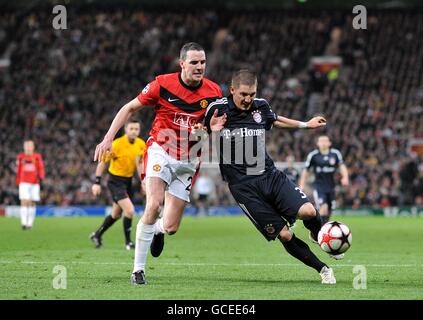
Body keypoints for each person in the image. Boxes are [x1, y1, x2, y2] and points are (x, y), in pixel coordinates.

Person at [94, 42, 222, 285]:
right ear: (182, 63)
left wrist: (208, 130)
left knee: (171, 226)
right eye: (194, 62)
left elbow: (205, 133)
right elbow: (129, 107)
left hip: (189, 160)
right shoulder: (162, 84)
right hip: (159, 151)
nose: (199, 67)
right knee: (153, 204)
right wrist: (108, 137)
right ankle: (138, 271)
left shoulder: (214, 92)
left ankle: (159, 231)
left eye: (203, 62)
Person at [204, 69, 337, 284]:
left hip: (269, 174)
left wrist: (306, 124)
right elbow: (193, 135)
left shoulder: (261, 105)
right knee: (284, 234)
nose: (248, 99)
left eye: (252, 94)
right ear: (232, 90)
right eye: (244, 95)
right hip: (243, 187)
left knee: (309, 211)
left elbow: (274, 120)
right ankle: (323, 269)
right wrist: (208, 130)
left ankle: (317, 235)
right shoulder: (217, 108)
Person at [90, 120, 146, 250]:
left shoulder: (141, 144)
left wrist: (143, 181)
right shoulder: (117, 144)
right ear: (126, 129)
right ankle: (128, 242)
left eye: (136, 129)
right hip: (115, 181)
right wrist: (97, 182)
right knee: (130, 210)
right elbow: (102, 163)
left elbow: (139, 164)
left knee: (115, 214)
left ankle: (97, 235)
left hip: (128, 181)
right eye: (131, 128)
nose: (134, 131)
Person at [299, 135, 349, 227]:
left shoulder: (335, 154)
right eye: (321, 141)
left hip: (331, 187)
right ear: (317, 143)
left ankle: (324, 228)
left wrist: (345, 177)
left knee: (330, 210)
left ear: (330, 143)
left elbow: (342, 166)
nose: (323, 143)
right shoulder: (313, 155)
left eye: (325, 141)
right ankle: (321, 231)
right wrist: (302, 184)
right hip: (319, 187)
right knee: (323, 207)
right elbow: (306, 170)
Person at [15, 140, 45, 230]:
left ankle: (30, 224)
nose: (28, 147)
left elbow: (41, 168)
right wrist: (17, 181)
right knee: (24, 201)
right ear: (24, 147)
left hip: (34, 183)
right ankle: (24, 223)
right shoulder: (20, 157)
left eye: (30, 146)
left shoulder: (37, 157)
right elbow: (18, 169)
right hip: (23, 182)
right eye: (26, 146)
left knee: (32, 202)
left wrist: (41, 177)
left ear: (33, 147)